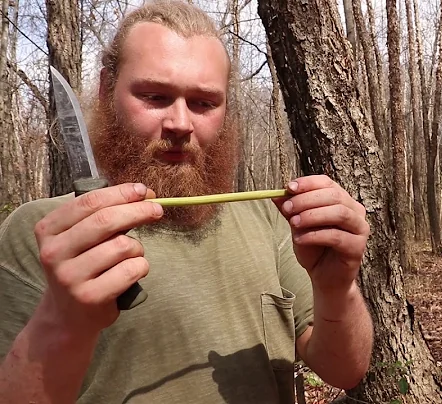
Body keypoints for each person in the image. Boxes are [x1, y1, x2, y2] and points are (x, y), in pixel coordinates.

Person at [0, 1, 374, 403]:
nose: (180, 123)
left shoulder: (267, 220)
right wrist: (63, 321)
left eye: (203, 103)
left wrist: (338, 289)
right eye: (155, 96)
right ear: (107, 89)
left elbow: (345, 369)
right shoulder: (44, 234)